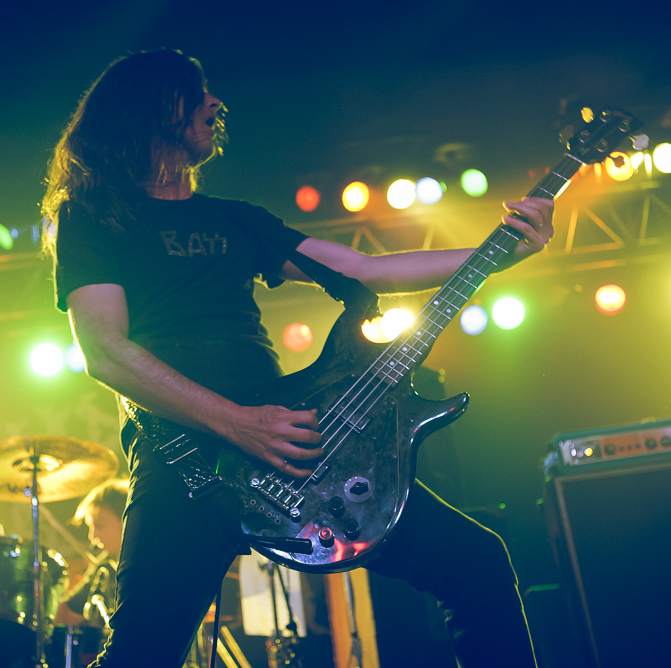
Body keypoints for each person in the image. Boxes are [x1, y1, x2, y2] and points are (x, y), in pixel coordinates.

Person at [42, 49, 553, 667]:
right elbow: (106, 352)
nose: (215, 104)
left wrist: (501, 251)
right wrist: (238, 423)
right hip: (187, 462)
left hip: (293, 444)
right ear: (151, 107)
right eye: (195, 93)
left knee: (478, 563)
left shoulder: (235, 220)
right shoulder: (95, 216)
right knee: (140, 655)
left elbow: (367, 270)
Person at [58, 478, 127, 627]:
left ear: (126, 520)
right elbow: (69, 612)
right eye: (90, 527)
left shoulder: (151, 561)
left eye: (99, 525)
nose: (93, 536)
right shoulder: (105, 565)